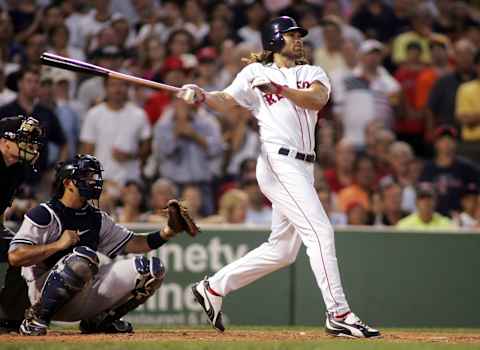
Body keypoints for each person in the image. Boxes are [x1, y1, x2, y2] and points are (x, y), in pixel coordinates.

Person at [178, 16, 379, 338]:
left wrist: (281, 89)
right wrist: (201, 96)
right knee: (321, 233)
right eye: (291, 35)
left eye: (299, 35)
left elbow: (317, 99)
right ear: (274, 40)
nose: (298, 39)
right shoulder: (255, 73)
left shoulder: (312, 72)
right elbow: (226, 101)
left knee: (283, 250)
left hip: (303, 167)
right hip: (277, 161)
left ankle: (212, 288)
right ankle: (339, 313)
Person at [8, 154, 197, 336]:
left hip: (83, 293)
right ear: (67, 183)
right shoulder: (44, 213)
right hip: (42, 294)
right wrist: (57, 245)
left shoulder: (97, 217)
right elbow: (15, 256)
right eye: (85, 177)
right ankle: (36, 320)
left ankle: (100, 321)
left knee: (152, 269)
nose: (92, 181)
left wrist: (168, 231)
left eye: (93, 176)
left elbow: (136, 243)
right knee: (83, 258)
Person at [0, 116, 44, 332]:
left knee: (24, 253)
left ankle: (9, 319)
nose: (31, 146)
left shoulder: (16, 168)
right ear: (3, 142)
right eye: (23, 140)